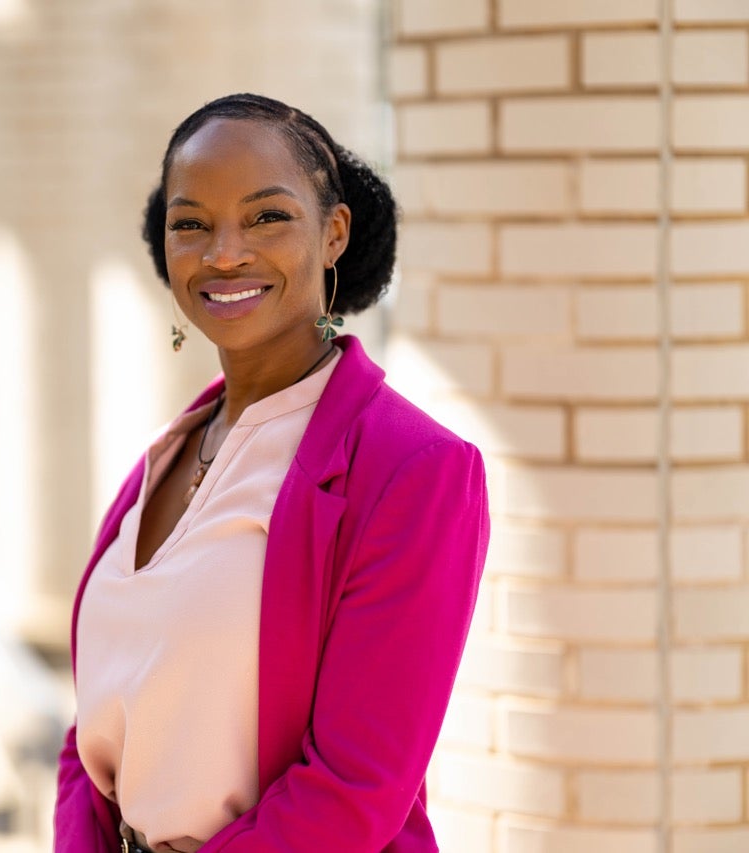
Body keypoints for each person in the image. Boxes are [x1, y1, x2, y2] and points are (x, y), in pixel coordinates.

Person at [54, 93, 490, 852]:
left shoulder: (413, 470)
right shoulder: (169, 451)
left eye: (266, 217)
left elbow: (354, 791)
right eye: (191, 223)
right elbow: (88, 732)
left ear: (334, 234)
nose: (224, 251)